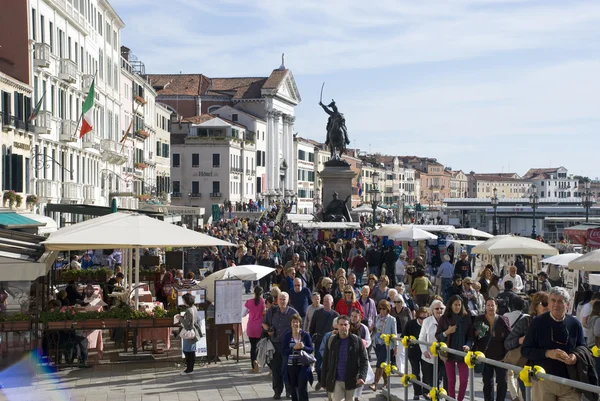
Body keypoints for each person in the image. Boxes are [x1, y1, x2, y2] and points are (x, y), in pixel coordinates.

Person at [521, 287, 586, 401]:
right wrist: (547, 353)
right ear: (549, 303)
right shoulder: (538, 322)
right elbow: (525, 350)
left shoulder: (575, 324)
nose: (556, 304)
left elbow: (582, 347)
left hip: (570, 383)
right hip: (544, 381)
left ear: (567, 305)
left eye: (560, 301)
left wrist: (575, 356)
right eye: (553, 300)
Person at [505, 291, 549, 400]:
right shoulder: (526, 322)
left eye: (549, 303)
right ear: (536, 306)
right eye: (544, 303)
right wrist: (521, 340)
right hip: (527, 371)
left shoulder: (553, 323)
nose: (548, 306)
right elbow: (507, 343)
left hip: (546, 372)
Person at [321, 315, 368, 401]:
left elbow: (364, 360)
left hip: (351, 380)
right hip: (336, 380)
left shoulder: (357, 341)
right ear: (337, 326)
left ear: (349, 326)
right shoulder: (331, 341)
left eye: (345, 324)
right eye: (341, 325)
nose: (343, 327)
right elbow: (325, 361)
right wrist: (323, 381)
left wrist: (362, 376)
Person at [436, 295, 473, 401]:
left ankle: (460, 399)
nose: (457, 307)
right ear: (451, 306)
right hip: (448, 352)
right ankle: (451, 399)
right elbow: (438, 335)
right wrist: (447, 332)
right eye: (455, 305)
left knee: (464, 379)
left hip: (462, 353)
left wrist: (468, 345)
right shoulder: (444, 318)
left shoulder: (466, 317)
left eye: (459, 305)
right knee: (451, 380)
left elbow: (470, 336)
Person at [263, 292, 299, 399]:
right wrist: (268, 329)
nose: (282, 301)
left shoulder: (293, 313)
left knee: (288, 369)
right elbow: (264, 323)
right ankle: (277, 391)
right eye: (280, 299)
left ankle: (289, 391)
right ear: (277, 300)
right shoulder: (272, 311)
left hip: (288, 346)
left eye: (284, 299)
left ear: (288, 300)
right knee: (276, 369)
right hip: (274, 345)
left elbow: (299, 328)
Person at [473, 298, 511, 401]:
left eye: (492, 305)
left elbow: (509, 338)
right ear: (485, 307)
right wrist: (476, 334)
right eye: (488, 305)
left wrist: (508, 356)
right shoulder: (479, 319)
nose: (490, 307)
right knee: (487, 382)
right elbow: (473, 337)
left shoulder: (503, 319)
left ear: (496, 307)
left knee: (502, 382)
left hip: (501, 357)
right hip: (485, 356)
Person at [310, 294, 339, 391]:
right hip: (319, 342)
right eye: (325, 301)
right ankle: (320, 380)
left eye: (328, 301)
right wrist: (311, 338)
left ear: (332, 303)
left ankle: (327, 383)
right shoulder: (317, 313)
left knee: (329, 365)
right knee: (318, 365)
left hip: (331, 343)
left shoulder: (335, 315)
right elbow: (312, 327)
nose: (326, 303)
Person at [282, 314, 314, 401]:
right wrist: (293, 348)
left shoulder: (305, 335)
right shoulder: (287, 336)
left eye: (297, 322)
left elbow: (311, 349)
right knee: (293, 388)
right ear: (290, 324)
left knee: (302, 388)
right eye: (293, 322)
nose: (295, 324)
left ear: (300, 323)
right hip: (291, 366)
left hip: (303, 366)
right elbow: (283, 351)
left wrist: (303, 347)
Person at [420, 299, 447, 393]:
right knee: (430, 379)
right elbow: (421, 338)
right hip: (429, 355)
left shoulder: (447, 321)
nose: (439, 310)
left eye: (441, 308)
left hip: (443, 355)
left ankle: (437, 395)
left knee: (440, 378)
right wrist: (424, 351)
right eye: (437, 308)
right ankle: (431, 394)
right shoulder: (427, 321)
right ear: (432, 310)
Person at [370, 300, 398, 392]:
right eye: (380, 308)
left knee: (380, 364)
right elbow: (373, 330)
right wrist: (372, 328)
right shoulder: (376, 317)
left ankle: (375, 384)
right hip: (376, 343)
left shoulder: (392, 319)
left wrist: (396, 346)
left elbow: (394, 333)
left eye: (384, 309)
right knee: (382, 364)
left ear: (387, 309)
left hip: (386, 344)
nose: (382, 311)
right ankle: (386, 382)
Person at [404, 307, 428, 401]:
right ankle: (417, 393)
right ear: (417, 317)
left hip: (425, 352)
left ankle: (426, 393)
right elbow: (404, 336)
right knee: (416, 372)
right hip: (413, 351)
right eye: (421, 318)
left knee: (426, 372)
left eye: (425, 318)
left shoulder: (429, 324)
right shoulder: (411, 324)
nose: (423, 320)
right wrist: (409, 340)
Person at [349, 308, 372, 401]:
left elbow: (369, 341)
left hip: (360, 355)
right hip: (349, 355)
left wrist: (364, 342)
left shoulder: (363, 328)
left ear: (360, 317)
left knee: (360, 376)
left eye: (355, 316)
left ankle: (357, 396)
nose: (353, 318)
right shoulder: (347, 326)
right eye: (352, 316)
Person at [243, 286, 265, 373]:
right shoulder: (263, 302)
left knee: (253, 347)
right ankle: (258, 361)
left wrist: (249, 312)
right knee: (259, 346)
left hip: (251, 327)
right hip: (259, 326)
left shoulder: (249, 302)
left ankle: (253, 365)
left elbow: (243, 314)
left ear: (254, 292)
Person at [178, 293, 201, 375]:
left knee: (187, 351)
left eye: (183, 300)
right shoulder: (194, 308)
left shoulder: (188, 310)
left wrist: (180, 318)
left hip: (189, 333)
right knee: (191, 350)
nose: (183, 302)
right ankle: (190, 368)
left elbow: (187, 324)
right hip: (194, 332)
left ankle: (189, 369)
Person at [585, 301, 600, 374]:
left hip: (590, 343)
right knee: (597, 367)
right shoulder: (598, 319)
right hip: (595, 345)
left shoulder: (591, 318)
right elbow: (597, 332)